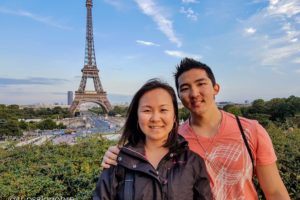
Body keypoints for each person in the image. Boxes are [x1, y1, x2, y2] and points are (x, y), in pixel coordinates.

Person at [101, 58, 290, 200]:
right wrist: (117, 155)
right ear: (179, 97)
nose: (194, 93)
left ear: (216, 88)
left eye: (201, 84)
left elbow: (274, 191)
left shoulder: (251, 130)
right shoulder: (172, 141)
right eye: (185, 88)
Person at [93, 79, 212, 200]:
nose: (155, 118)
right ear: (137, 116)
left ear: (174, 116)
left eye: (163, 110)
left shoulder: (194, 162)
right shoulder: (117, 160)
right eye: (147, 110)